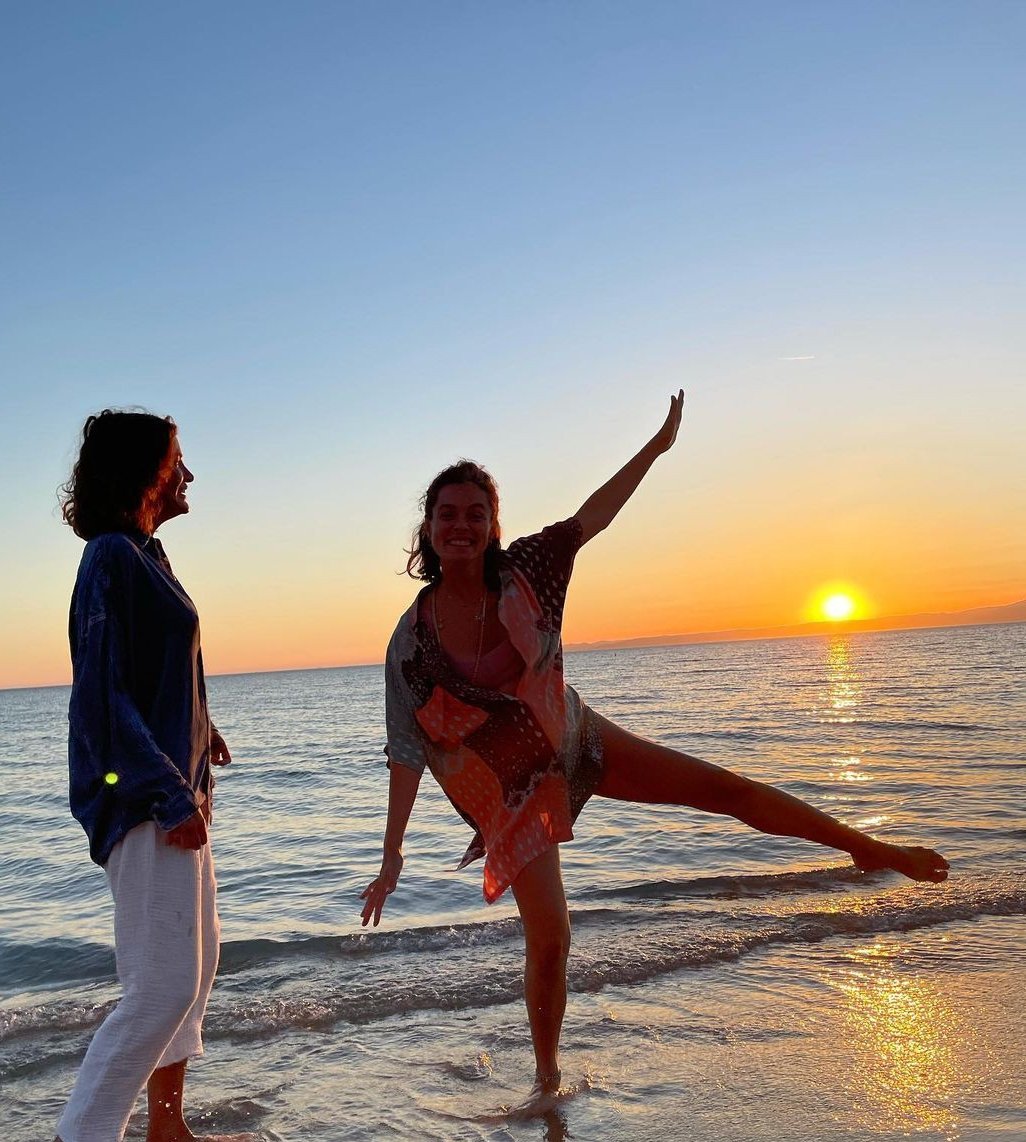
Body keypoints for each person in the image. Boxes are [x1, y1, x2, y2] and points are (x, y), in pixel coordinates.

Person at [361, 390, 949, 1098]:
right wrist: (392, 855)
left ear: (492, 527)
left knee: (726, 791)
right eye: (447, 515)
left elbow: (593, 514)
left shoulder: (527, 570)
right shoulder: (410, 644)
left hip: (576, 739)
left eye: (476, 514)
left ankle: (866, 847)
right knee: (551, 940)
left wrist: (658, 447)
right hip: (518, 789)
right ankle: (548, 1077)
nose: (461, 526)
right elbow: (407, 749)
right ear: (427, 529)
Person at [32, 410, 245, 1142]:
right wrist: (164, 792)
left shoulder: (149, 557)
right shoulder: (110, 557)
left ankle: (167, 1132)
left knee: (196, 971)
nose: (188, 476)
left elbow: (155, 674)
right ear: (145, 473)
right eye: (178, 462)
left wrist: (203, 728)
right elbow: (102, 696)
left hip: (177, 789)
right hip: (148, 800)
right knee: (159, 985)